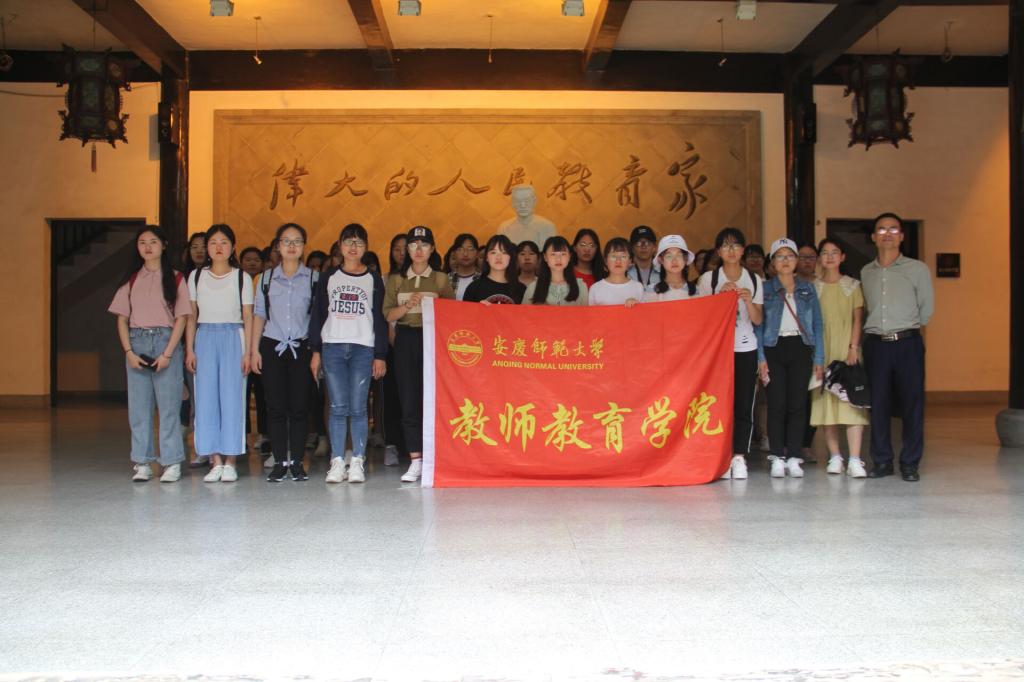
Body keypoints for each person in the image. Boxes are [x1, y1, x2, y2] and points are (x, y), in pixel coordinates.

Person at [109, 226, 191, 483]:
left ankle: (171, 462)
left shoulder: (176, 278)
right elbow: (122, 319)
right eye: (142, 242)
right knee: (139, 408)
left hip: (167, 341)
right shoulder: (131, 279)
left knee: (169, 408)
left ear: (163, 245)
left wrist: (168, 353)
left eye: (153, 241)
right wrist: (129, 352)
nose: (147, 247)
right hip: (137, 342)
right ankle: (142, 462)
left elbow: (182, 318)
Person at [310, 223, 388, 485]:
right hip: (333, 346)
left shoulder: (373, 279)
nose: (353, 247)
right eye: (348, 241)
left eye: (359, 242)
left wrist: (380, 354)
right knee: (337, 406)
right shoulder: (328, 277)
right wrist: (316, 351)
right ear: (340, 246)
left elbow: (379, 318)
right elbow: (318, 315)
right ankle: (336, 461)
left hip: (362, 348)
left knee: (358, 407)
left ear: (366, 247)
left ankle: (357, 461)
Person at [861, 212, 934, 481]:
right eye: (881, 229)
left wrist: (907, 328)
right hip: (876, 345)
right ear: (873, 237)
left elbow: (926, 309)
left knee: (912, 403)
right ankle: (882, 461)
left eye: (893, 229)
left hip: (907, 343)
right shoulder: (866, 272)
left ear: (902, 236)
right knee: (878, 404)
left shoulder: (917, 269)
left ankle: (910, 463)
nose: (887, 234)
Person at [382, 226, 455, 483]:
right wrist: (406, 306)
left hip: (433, 340)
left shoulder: (441, 279)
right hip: (406, 339)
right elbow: (387, 315)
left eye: (424, 245)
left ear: (432, 249)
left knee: (433, 398)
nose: (418, 250)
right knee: (409, 399)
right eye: (413, 245)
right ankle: (416, 460)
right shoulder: (396, 279)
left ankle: (435, 458)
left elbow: (453, 313)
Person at [185, 224, 255, 483]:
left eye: (224, 242)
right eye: (213, 242)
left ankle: (230, 460)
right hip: (204, 336)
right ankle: (214, 460)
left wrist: (248, 352)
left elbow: (248, 316)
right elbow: (191, 316)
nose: (218, 247)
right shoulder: (196, 276)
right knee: (205, 400)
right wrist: (189, 349)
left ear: (233, 247)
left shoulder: (242, 277)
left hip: (233, 336)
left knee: (232, 399)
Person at [250, 223, 316, 483]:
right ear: (277, 246)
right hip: (272, 345)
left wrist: (317, 352)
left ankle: (297, 462)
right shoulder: (266, 279)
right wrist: (254, 350)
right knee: (275, 407)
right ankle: (279, 462)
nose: (291, 246)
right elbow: (259, 315)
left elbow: (318, 318)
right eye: (286, 241)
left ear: (303, 246)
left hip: (302, 346)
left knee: (299, 407)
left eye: (297, 241)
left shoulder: (313, 278)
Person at [697, 227, 764, 480]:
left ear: (743, 250)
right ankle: (721, 455)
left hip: (745, 347)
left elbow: (758, 320)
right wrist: (719, 297)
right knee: (717, 404)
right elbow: (702, 318)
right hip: (718, 350)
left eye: (735, 245)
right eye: (726, 246)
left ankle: (739, 456)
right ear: (718, 251)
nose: (731, 250)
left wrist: (747, 300)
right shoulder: (708, 279)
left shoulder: (754, 280)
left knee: (744, 404)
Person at [756, 238, 824, 479]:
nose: (785, 260)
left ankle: (794, 455)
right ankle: (777, 455)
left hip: (801, 347)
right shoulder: (765, 288)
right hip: (773, 347)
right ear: (773, 262)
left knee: (798, 404)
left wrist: (819, 357)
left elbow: (817, 324)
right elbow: (758, 325)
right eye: (780, 256)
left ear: (796, 261)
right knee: (776, 404)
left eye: (790, 256)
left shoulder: (807, 288)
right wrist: (760, 357)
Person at [810, 238, 869, 478]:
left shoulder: (852, 286)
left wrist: (853, 347)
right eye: (825, 253)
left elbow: (857, 318)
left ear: (843, 257)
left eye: (835, 252)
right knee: (827, 406)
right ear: (820, 258)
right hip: (822, 352)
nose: (830, 257)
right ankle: (835, 457)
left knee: (852, 403)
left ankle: (855, 459)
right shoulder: (814, 287)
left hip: (847, 350)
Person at [523, 236, 588, 306]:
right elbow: (522, 312)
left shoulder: (581, 286)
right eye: (553, 254)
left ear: (569, 256)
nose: (558, 259)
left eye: (563, 254)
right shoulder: (533, 287)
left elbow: (586, 312)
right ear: (545, 257)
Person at [464, 235, 524, 305]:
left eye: (504, 252)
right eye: (493, 252)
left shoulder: (521, 289)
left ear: (510, 258)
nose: (498, 257)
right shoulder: (474, 288)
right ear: (486, 257)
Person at [589, 238, 644, 307]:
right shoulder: (595, 289)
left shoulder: (638, 287)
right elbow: (591, 314)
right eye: (613, 256)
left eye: (623, 257)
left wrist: (636, 305)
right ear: (605, 261)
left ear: (630, 261)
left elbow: (643, 313)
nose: (618, 261)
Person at [643, 235, 695, 302]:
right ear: (660, 260)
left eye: (679, 255)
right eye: (669, 256)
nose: (674, 261)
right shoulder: (652, 290)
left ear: (686, 258)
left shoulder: (696, 290)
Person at [626, 225, 661, 293]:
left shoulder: (664, 272)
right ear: (632, 248)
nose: (643, 247)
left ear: (654, 247)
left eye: (647, 243)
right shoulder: (624, 272)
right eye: (638, 243)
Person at [447, 233, 481, 301]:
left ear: (477, 253)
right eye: (460, 249)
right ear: (454, 253)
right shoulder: (446, 279)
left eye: (470, 249)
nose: (465, 254)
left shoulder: (483, 279)